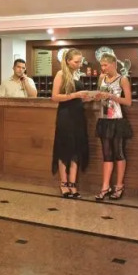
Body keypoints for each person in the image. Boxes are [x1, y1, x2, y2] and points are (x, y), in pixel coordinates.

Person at [51, 49, 93, 198]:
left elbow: (77, 97)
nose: (79, 64)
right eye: (76, 61)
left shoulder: (77, 74)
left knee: (76, 149)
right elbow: (55, 97)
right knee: (64, 149)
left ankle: (73, 184)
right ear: (68, 61)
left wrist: (87, 97)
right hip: (65, 115)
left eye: (80, 61)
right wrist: (75, 95)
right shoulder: (61, 74)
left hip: (78, 115)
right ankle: (64, 184)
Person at [94, 54, 133, 200]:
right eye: (101, 65)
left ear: (113, 64)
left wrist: (112, 97)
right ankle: (105, 186)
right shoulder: (101, 78)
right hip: (104, 119)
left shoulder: (122, 79)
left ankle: (119, 185)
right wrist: (96, 96)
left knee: (119, 152)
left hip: (117, 119)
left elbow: (128, 101)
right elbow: (99, 95)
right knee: (107, 154)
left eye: (105, 65)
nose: (103, 68)